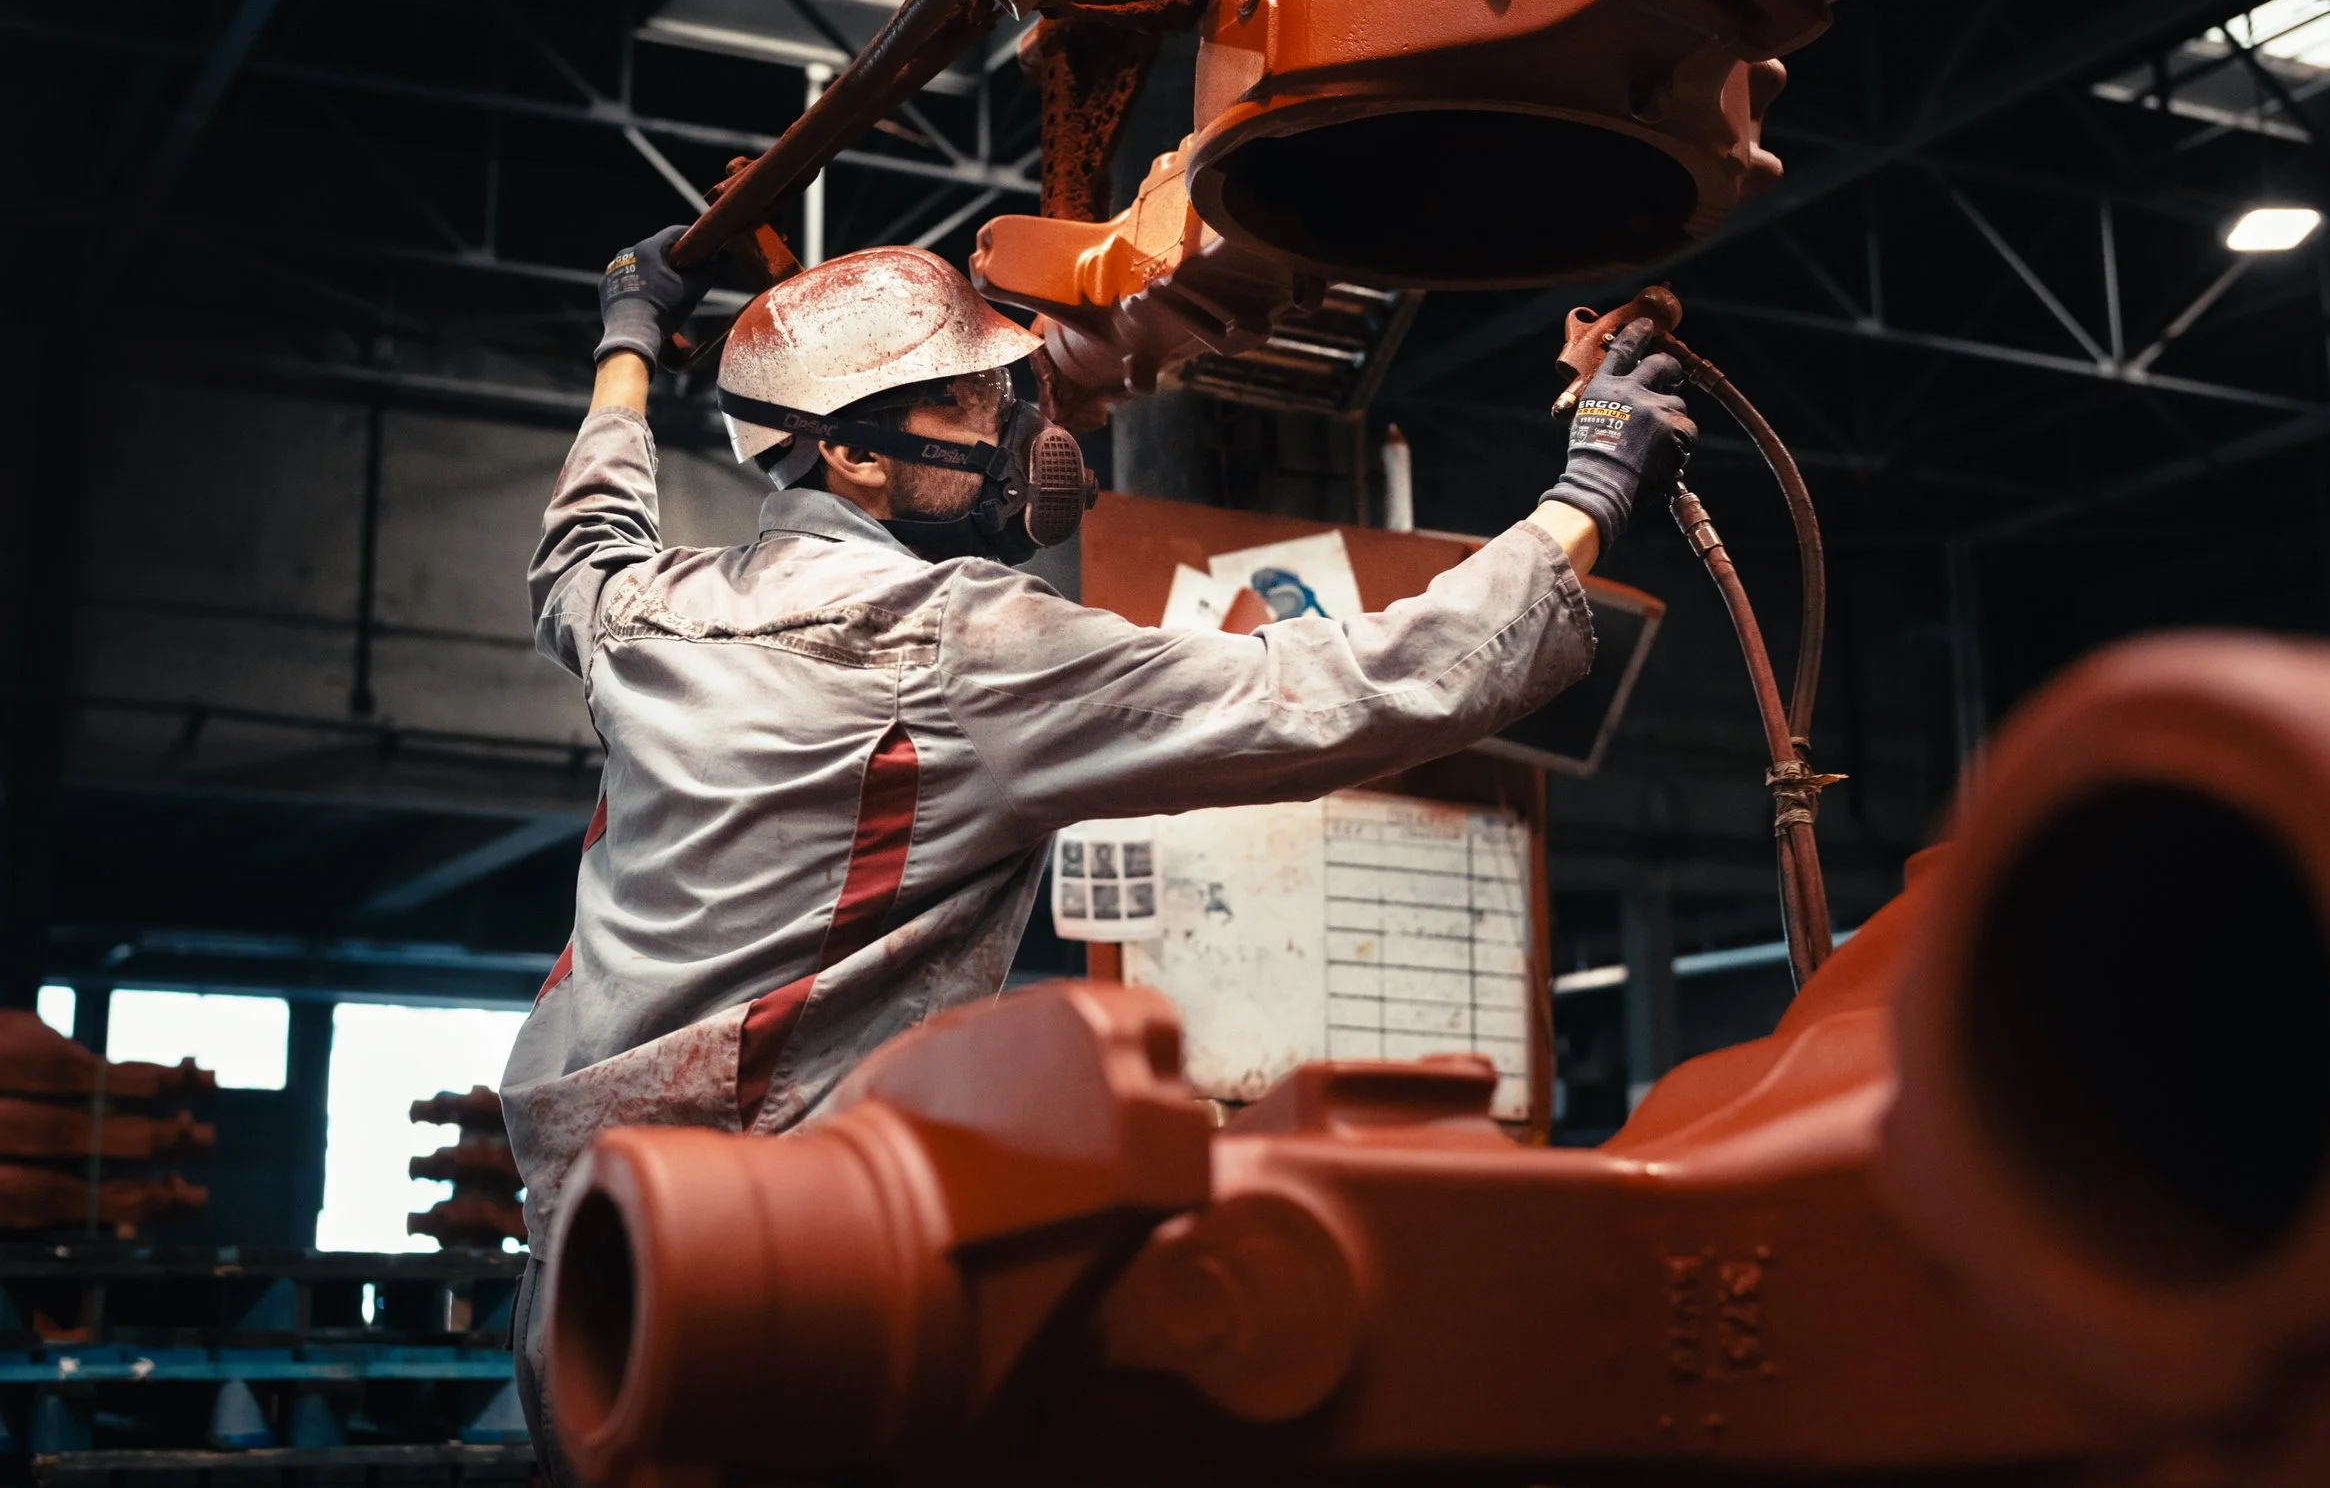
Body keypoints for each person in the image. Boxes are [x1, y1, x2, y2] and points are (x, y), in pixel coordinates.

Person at [500, 226, 1694, 1474]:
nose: (1007, 433)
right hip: (776, 1280)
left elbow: (580, 539)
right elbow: (1337, 688)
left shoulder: (644, 610)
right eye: (967, 404)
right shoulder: (955, 643)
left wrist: (628, 338)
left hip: (575, 1270)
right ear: (852, 452)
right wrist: (1586, 500)